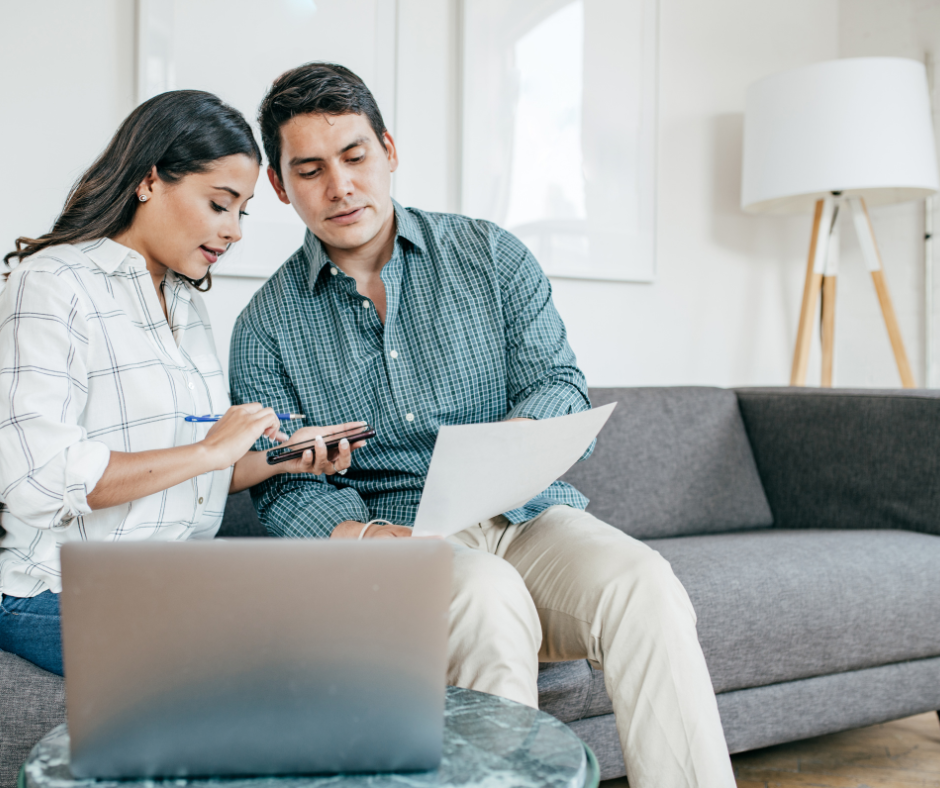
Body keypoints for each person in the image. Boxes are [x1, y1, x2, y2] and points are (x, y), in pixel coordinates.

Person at [229, 63, 736, 788]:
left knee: (644, 584)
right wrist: (370, 538)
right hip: (397, 542)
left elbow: (558, 383)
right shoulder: (264, 327)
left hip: (529, 514)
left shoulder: (491, 255)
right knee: (487, 596)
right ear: (280, 186)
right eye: (309, 170)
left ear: (389, 150)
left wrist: (516, 443)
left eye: (355, 156)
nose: (339, 186)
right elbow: (281, 492)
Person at [0, 90, 362, 677]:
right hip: (60, 592)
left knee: (348, 621)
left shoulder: (184, 300)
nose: (235, 232)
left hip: (175, 579)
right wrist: (208, 449)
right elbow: (38, 480)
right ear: (149, 181)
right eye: (220, 204)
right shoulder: (52, 285)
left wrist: (282, 459)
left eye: (241, 211)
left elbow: (201, 474)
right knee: (275, 663)